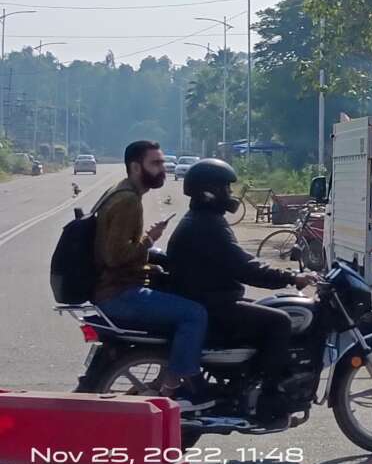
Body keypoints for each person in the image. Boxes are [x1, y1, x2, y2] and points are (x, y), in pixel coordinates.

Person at [167, 159, 319, 425]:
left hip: (209, 299)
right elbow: (245, 268)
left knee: (271, 309)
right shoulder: (207, 226)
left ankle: (250, 381)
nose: (229, 194)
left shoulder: (202, 220)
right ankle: (269, 399)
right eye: (225, 188)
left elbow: (239, 261)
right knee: (280, 322)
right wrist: (291, 277)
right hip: (213, 306)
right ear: (209, 192)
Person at [94, 140, 212, 410]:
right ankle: (178, 384)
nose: (163, 168)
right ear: (136, 167)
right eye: (155, 163)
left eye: (162, 162)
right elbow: (115, 257)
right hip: (119, 294)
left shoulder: (123, 193)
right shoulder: (127, 201)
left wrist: (152, 260)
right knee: (194, 314)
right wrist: (150, 240)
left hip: (117, 288)